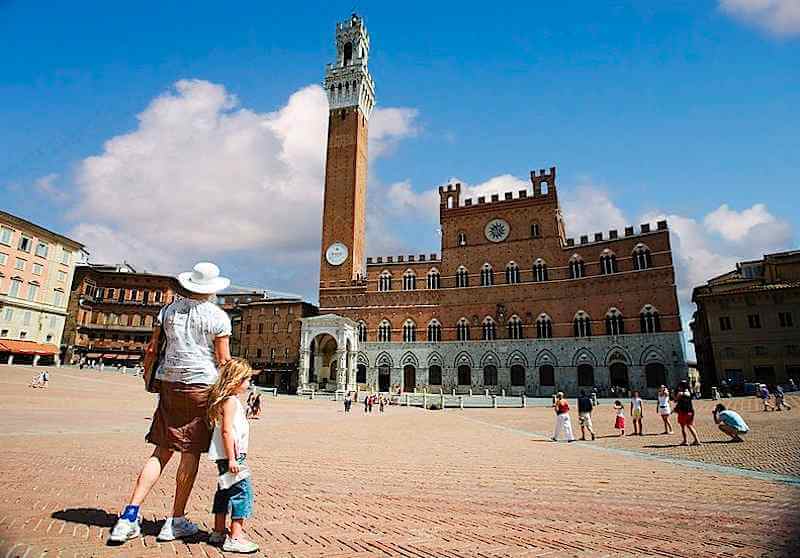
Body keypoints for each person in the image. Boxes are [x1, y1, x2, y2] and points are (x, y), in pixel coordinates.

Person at [108, 262, 232, 546]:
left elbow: (152, 348)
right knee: (190, 453)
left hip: (169, 384)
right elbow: (224, 361)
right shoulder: (218, 317)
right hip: (201, 386)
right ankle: (175, 520)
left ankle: (128, 517)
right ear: (212, 290)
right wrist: (231, 396)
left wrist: (147, 377)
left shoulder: (167, 311)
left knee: (161, 450)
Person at [206, 359, 259, 553]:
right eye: (247, 380)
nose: (249, 384)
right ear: (236, 380)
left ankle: (218, 532)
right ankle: (235, 537)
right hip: (233, 457)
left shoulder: (227, 400)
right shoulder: (231, 402)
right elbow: (227, 431)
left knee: (224, 492)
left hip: (224, 455)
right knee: (241, 493)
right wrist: (232, 459)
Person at [674, 380, 701, 446]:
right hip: (690, 411)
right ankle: (697, 440)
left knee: (683, 427)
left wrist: (674, 395)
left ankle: (685, 441)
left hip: (683, 412)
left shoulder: (680, 393)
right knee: (690, 426)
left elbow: (675, 400)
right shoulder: (689, 392)